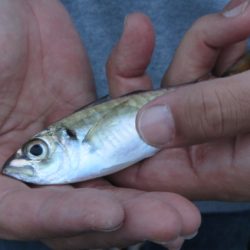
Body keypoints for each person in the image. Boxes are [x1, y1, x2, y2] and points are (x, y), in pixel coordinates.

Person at [0, 0, 249, 250]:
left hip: (227, 172)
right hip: (57, 217)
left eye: (36, 151)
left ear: (68, 136)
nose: (31, 159)